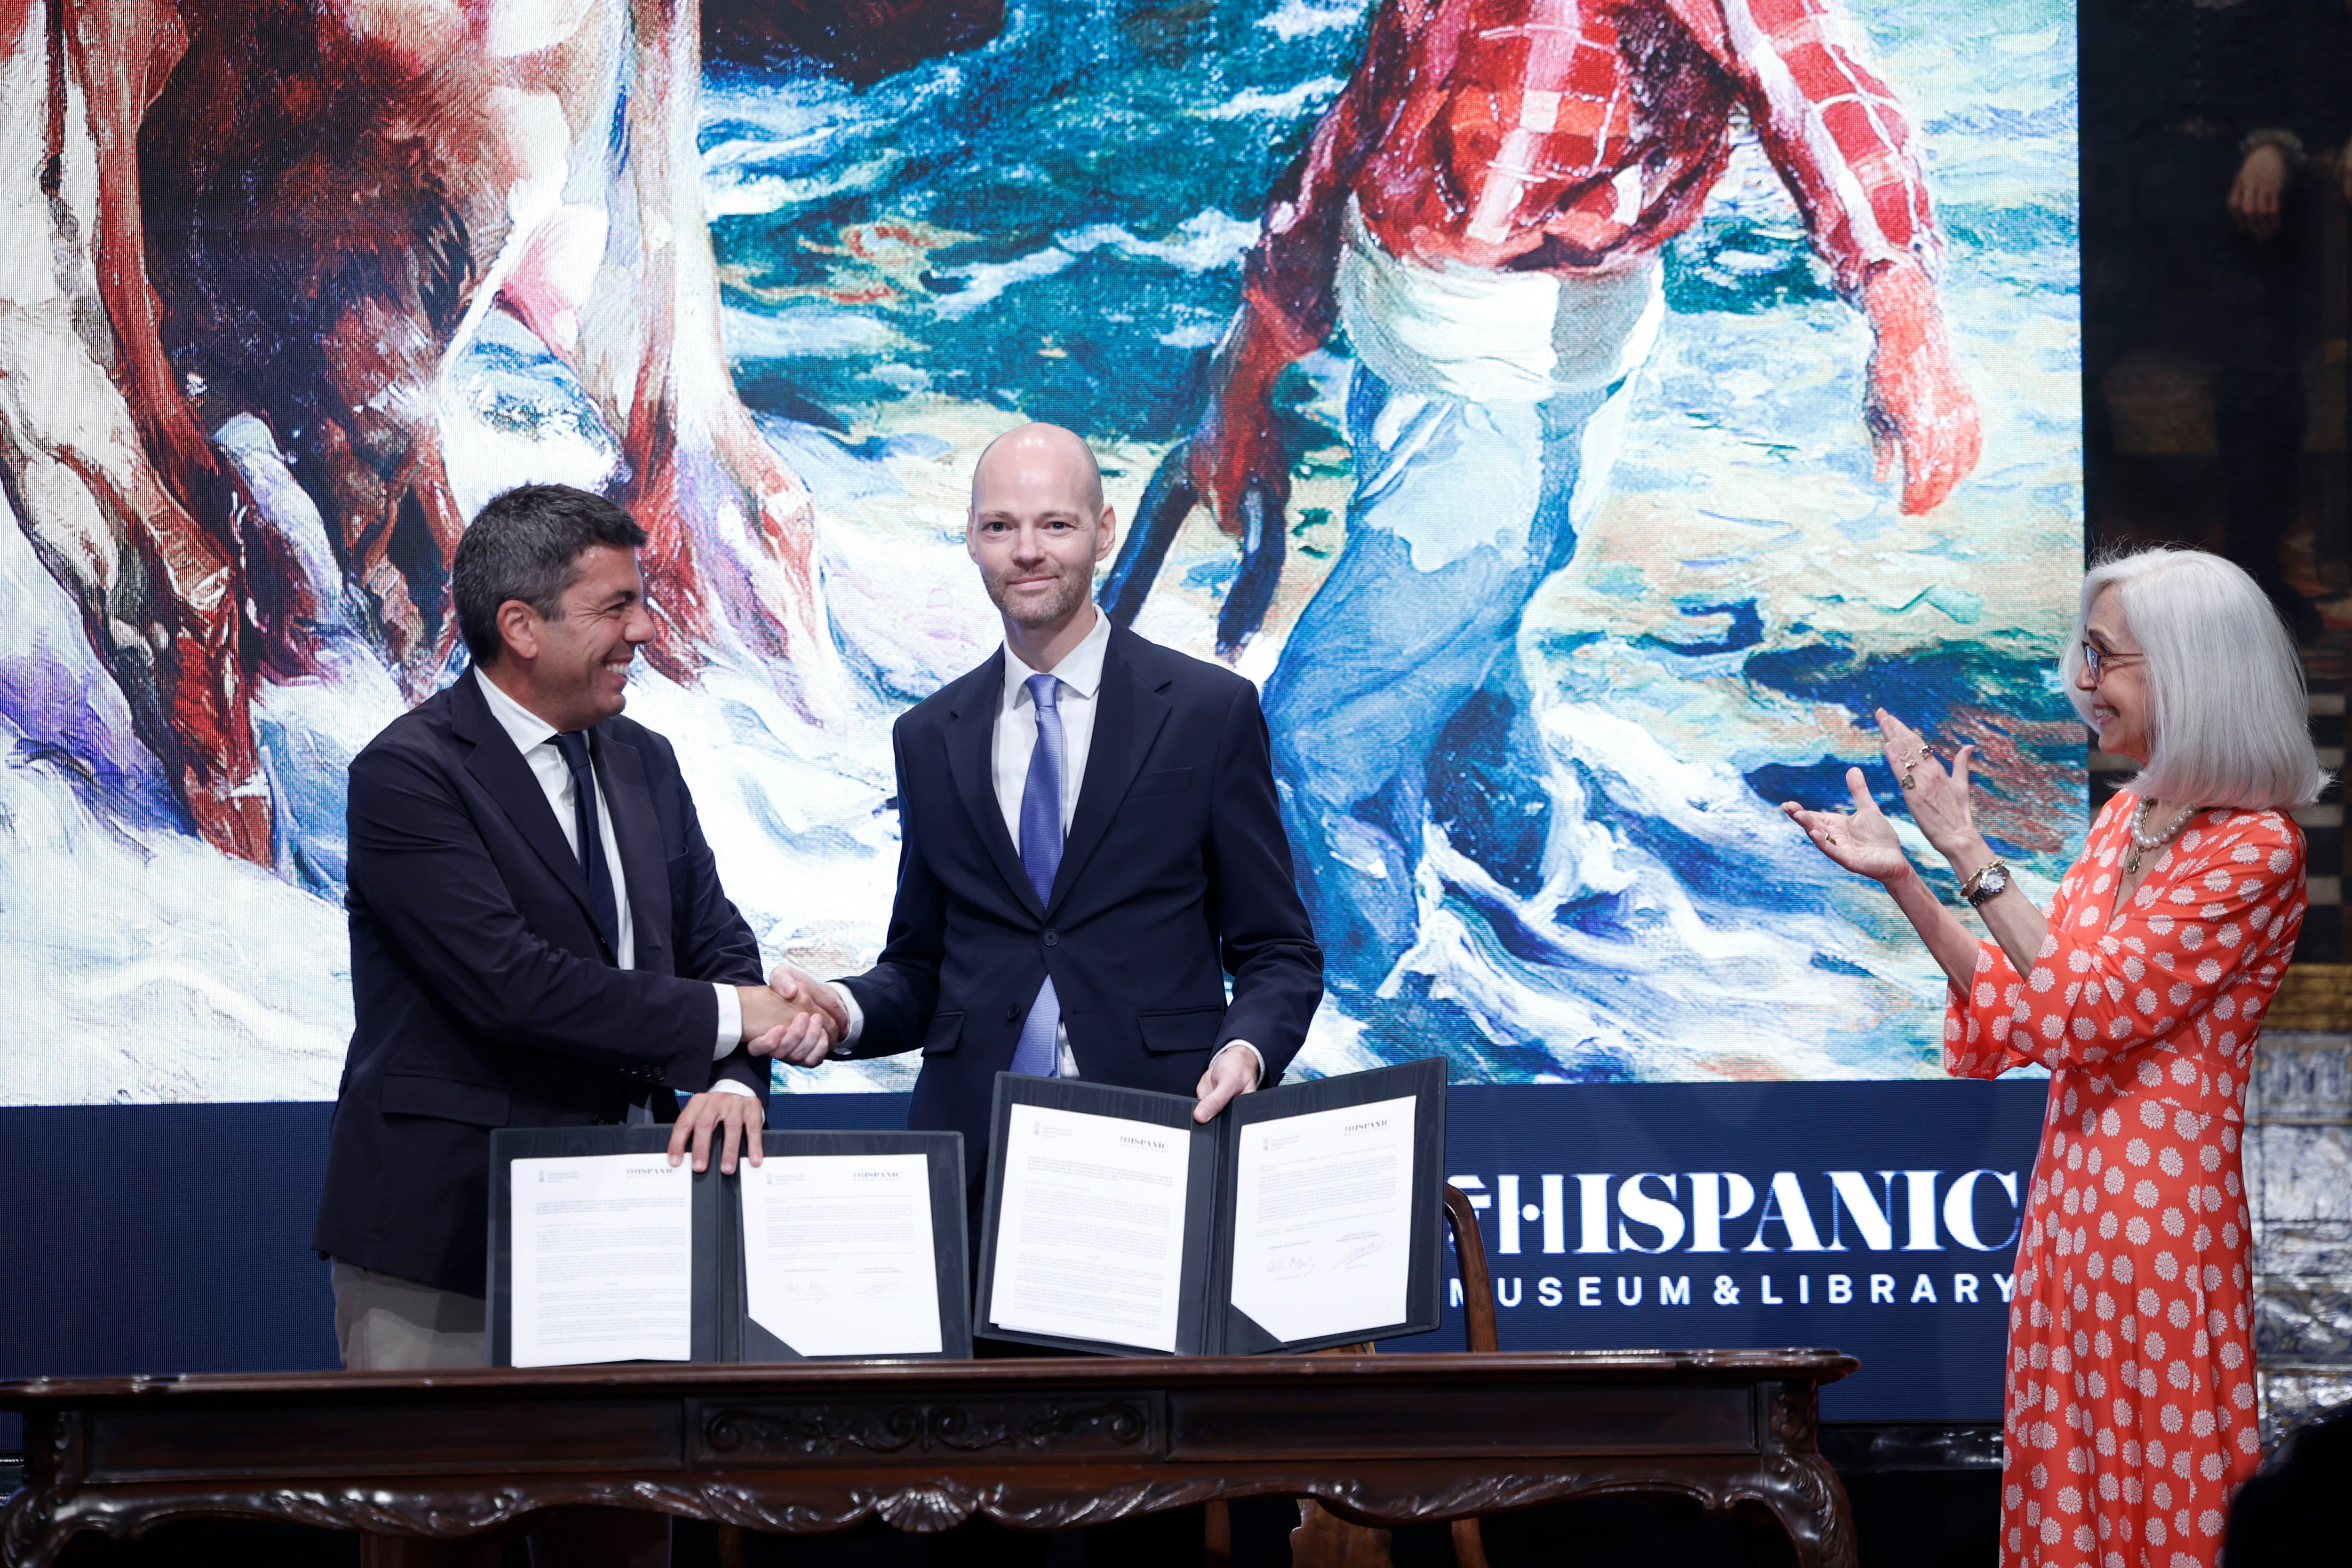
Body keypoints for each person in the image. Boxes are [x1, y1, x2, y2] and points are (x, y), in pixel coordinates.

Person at [1181, 0, 1983, 996]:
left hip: (1516, 382)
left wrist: (1904, 307)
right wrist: (1250, 364)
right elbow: (1369, 115)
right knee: (1459, 687)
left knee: (1315, 743)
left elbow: (1811, 70)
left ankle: (1361, 1017)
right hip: (1406, 361)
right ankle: (1545, 935)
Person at [1784, 546, 2327, 1568]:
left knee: (2160, 1485)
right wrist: (1906, 876)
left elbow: (2088, 1005)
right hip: (2069, 1214)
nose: (2083, 679)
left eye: (2105, 656)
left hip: (2159, 1229)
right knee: (2065, 1490)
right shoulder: (2126, 820)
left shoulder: (2256, 848)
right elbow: (2022, 1009)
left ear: (2191, 667)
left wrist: (1967, 847)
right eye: (2087, 652)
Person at [764, 423, 1324, 1228]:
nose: (1027, 551)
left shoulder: (1210, 712)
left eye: (1055, 524)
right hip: (973, 1166)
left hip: (1163, 1148)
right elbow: (923, 967)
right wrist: (843, 1012)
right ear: (971, 539)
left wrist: (1248, 1050)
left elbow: (1278, 950)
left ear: (1105, 532)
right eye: (1001, 526)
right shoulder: (928, 736)